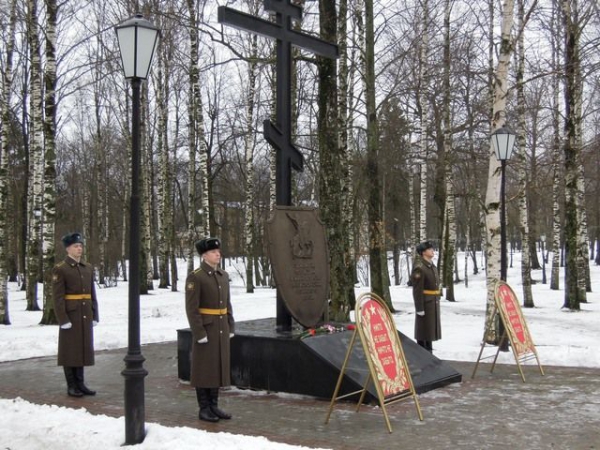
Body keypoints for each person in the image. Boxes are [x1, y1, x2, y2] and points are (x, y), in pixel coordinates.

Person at [185, 237, 235, 422]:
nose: (218, 254)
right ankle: (204, 407)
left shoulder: (222, 275)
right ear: (205, 255)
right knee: (204, 369)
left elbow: (227, 303)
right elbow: (192, 308)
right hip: (207, 329)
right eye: (214, 252)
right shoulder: (196, 276)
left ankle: (214, 405)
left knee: (217, 367)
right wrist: (199, 333)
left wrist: (230, 324)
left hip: (221, 327)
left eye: (219, 252)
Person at [53, 232, 99, 397]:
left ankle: (81, 383)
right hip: (71, 315)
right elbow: (58, 297)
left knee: (82, 349)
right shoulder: (61, 269)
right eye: (75, 246)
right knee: (70, 350)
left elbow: (92, 294)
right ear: (68, 249)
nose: (79, 249)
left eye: (80, 246)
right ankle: (71, 385)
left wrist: (95, 314)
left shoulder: (87, 268)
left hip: (85, 313)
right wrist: (63, 319)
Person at [410, 240, 441, 352]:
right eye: (429, 249)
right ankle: (424, 356)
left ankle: (429, 355)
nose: (433, 251)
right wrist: (419, 308)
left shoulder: (430, 266)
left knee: (429, 333)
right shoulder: (420, 267)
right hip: (425, 304)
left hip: (432, 303)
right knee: (423, 333)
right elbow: (417, 290)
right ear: (423, 252)